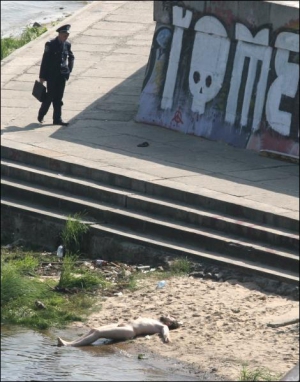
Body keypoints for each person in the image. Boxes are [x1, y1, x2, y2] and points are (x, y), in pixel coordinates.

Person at [57, 316, 182, 347]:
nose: (168, 315)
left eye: (171, 317)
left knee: (98, 333)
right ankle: (71, 342)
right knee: (94, 329)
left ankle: (69, 345)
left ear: (169, 323)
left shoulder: (162, 326)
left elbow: (165, 331)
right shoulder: (154, 320)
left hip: (129, 330)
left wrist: (166, 338)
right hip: (124, 325)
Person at [37, 24, 75, 126]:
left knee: (59, 98)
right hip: (52, 76)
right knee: (49, 97)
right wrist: (42, 77)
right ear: (59, 34)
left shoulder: (67, 44)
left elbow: (71, 57)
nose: (66, 36)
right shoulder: (50, 44)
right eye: (64, 34)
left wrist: (69, 69)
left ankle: (57, 119)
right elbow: (45, 61)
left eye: (67, 35)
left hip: (62, 75)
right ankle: (41, 114)